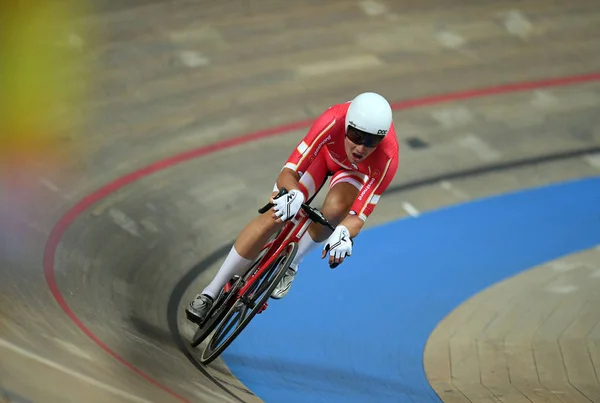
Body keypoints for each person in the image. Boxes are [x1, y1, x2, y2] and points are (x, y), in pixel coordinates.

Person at [185, 92, 399, 324]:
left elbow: (359, 215)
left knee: (336, 212)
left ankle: (293, 262)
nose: (360, 148)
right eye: (355, 136)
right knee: (274, 216)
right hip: (323, 156)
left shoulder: (388, 157)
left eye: (371, 142)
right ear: (346, 125)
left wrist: (344, 233)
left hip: (352, 174)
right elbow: (289, 172)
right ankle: (210, 292)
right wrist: (293, 194)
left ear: (382, 139)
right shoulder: (333, 119)